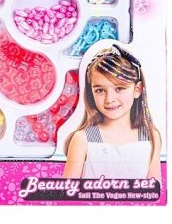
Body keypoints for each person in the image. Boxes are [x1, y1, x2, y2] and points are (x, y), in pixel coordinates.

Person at [63, 44, 161, 182]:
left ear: (137, 89)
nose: (109, 99)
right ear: (91, 93)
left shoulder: (151, 137)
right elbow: (67, 191)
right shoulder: (82, 139)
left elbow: (154, 190)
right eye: (100, 90)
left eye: (119, 88)